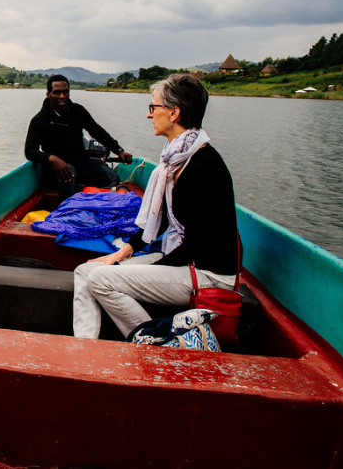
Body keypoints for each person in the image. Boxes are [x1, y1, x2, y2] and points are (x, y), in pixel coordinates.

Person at [72, 73, 239, 339]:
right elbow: (159, 220)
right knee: (85, 270)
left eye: (153, 107)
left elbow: (198, 243)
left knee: (101, 279)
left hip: (207, 273)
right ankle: (84, 346)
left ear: (174, 113)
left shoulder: (204, 165)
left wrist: (148, 268)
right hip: (184, 260)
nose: (149, 115)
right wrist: (123, 254)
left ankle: (153, 341)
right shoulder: (174, 160)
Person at [24, 75, 133, 197]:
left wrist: (119, 151)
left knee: (112, 177)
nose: (62, 96)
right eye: (57, 93)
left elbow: (98, 132)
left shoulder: (78, 111)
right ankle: (70, 211)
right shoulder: (39, 120)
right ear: (48, 94)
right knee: (69, 177)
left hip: (81, 161)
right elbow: (30, 151)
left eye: (65, 92)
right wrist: (52, 159)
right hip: (58, 168)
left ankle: (100, 205)